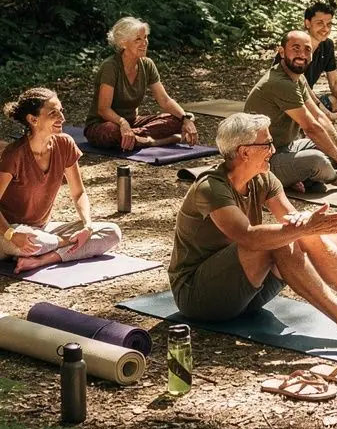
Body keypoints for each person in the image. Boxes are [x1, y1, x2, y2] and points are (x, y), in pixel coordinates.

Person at [169, 111, 337, 344]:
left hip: (244, 293)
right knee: (282, 239)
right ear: (244, 151)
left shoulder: (263, 178)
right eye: (266, 144)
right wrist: (302, 228)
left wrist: (310, 224)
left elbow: (292, 220)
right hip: (197, 296)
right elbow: (247, 237)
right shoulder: (210, 188)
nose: (273, 149)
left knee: (303, 234)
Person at [0, 88, 122, 273]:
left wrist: (87, 226)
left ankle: (40, 260)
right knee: (36, 240)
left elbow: (79, 193)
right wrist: (11, 234)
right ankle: (61, 246)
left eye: (61, 111)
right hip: (9, 232)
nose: (62, 118)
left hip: (44, 230)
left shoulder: (65, 144)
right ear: (33, 120)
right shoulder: (14, 155)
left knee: (112, 232)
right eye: (53, 113)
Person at [245, 31, 337, 194]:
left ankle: (303, 177)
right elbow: (311, 127)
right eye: (295, 48)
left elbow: (318, 116)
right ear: (281, 52)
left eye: (307, 49)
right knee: (317, 161)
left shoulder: (298, 78)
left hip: (286, 148)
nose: (301, 54)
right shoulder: (280, 82)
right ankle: (332, 177)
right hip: (263, 159)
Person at [85, 16, 198, 151]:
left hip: (133, 123)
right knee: (113, 132)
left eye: (145, 38)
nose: (144, 43)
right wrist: (122, 124)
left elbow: (165, 100)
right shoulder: (110, 67)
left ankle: (134, 139)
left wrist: (186, 119)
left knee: (177, 120)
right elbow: (103, 110)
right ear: (123, 43)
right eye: (138, 39)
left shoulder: (147, 64)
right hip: (104, 124)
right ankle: (152, 141)